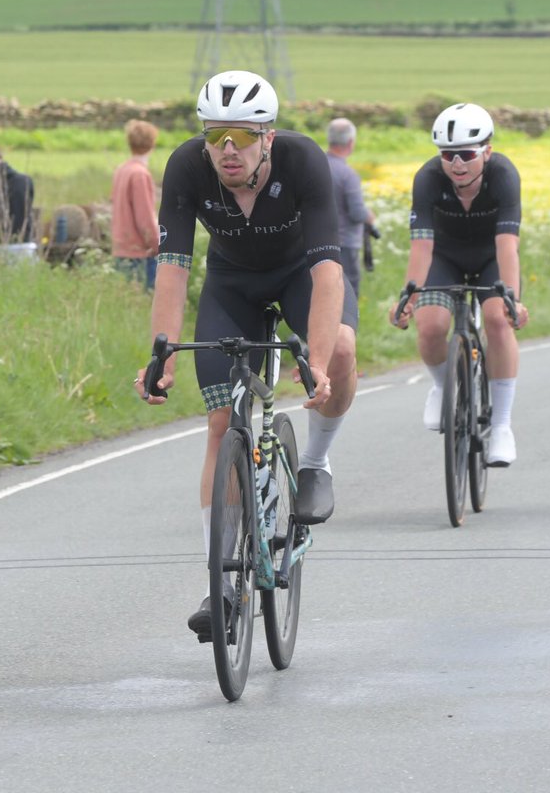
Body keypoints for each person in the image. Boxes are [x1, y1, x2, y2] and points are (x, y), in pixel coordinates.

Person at [134, 70, 358, 640]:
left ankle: (315, 461)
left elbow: (330, 271)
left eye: (240, 135)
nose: (226, 148)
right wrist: (162, 354)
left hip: (301, 275)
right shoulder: (186, 167)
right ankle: (222, 583)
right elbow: (173, 267)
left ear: (268, 137)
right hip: (232, 286)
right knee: (219, 425)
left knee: (344, 349)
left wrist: (320, 365)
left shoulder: (304, 162)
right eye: (215, 136)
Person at [390, 103, 529, 466]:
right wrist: (410, 294)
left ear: (487, 151)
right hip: (444, 257)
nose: (457, 164)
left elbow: (507, 246)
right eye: (447, 155)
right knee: (431, 324)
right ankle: (441, 384)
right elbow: (421, 245)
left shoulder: (504, 176)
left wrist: (511, 298)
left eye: (466, 154)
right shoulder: (428, 178)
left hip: (490, 258)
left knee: (498, 320)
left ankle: (501, 426)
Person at [325, 117, 375, 296]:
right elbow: (356, 212)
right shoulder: (348, 174)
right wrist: (369, 216)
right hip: (345, 242)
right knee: (347, 293)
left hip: (316, 240)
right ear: (351, 142)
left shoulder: (317, 166)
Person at [110, 119, 160, 291]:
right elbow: (144, 217)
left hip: (120, 248)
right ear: (152, 143)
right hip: (139, 253)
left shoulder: (122, 170)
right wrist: (156, 245)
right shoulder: (140, 174)